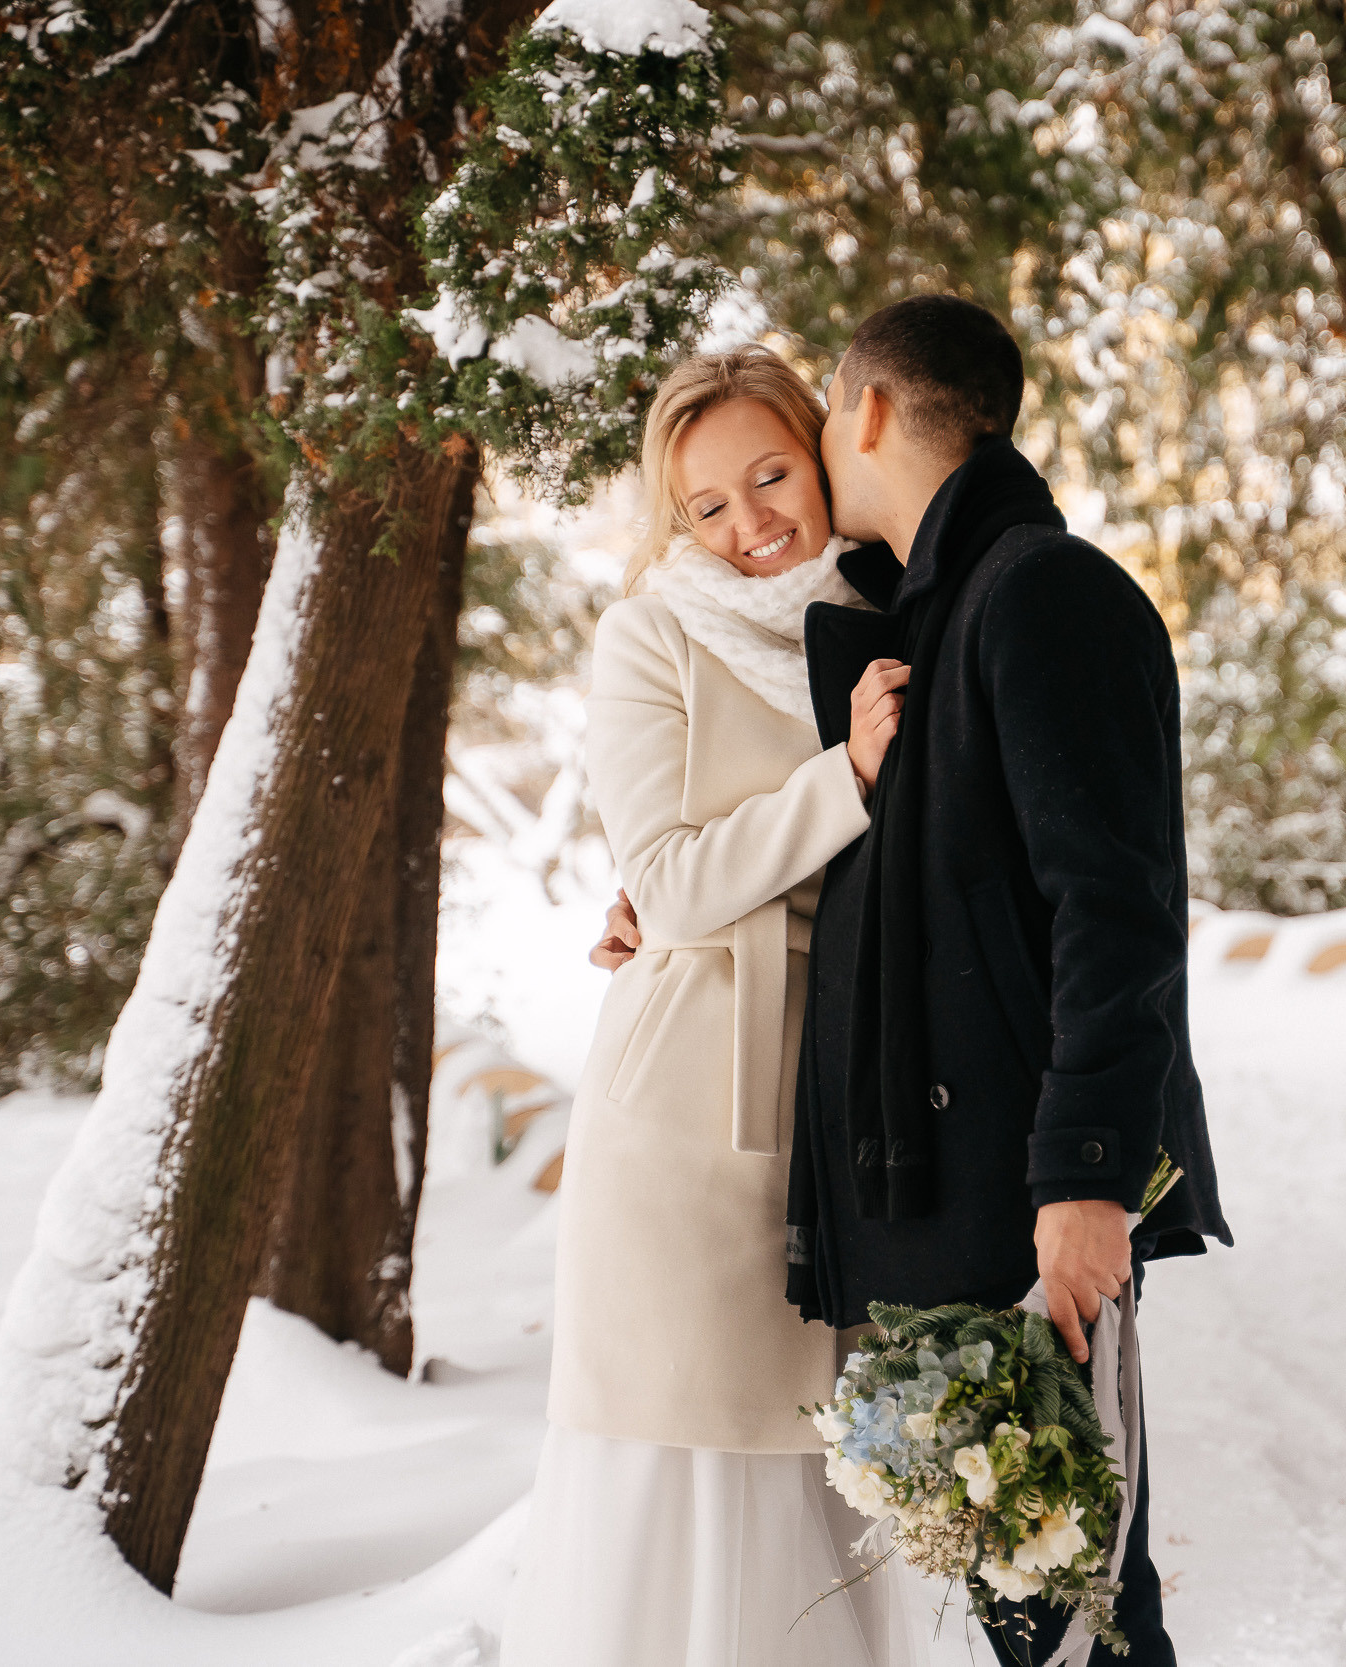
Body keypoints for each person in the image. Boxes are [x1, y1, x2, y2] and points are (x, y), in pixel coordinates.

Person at [596, 297, 1231, 1665]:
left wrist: (1085, 1176)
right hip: (915, 1192)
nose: (760, 507)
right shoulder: (925, 606)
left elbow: (1113, 912)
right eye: (709, 500)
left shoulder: (1022, 589)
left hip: (1004, 1181)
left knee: (1074, 1600)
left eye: (789, 454)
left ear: (861, 419)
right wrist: (661, 896)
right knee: (1027, 1583)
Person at [507, 345, 941, 1667]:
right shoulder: (652, 636)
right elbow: (676, 883)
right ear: (674, 522)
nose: (752, 524)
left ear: (822, 457)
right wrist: (846, 777)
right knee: (702, 1466)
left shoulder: (895, 612)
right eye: (709, 505)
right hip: (691, 1108)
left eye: (771, 476)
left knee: (831, 1471)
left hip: (847, 1101)